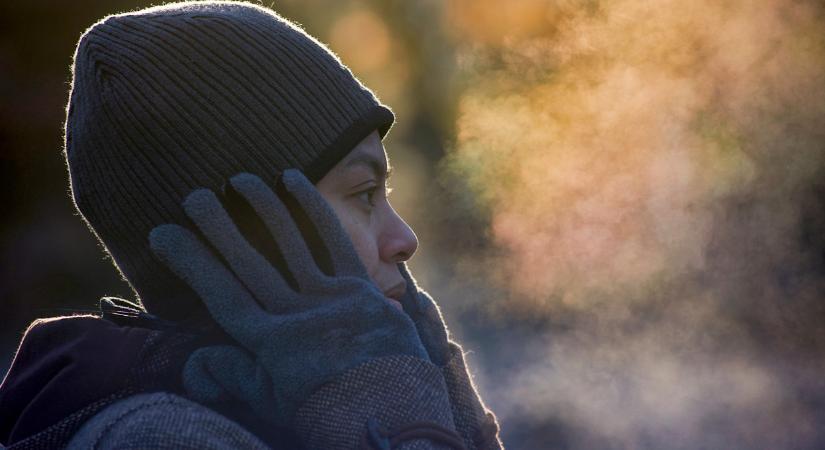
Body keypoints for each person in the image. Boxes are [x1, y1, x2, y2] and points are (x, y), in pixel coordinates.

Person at [0, 2, 502, 449]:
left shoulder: (290, 397)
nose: (405, 240)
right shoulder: (161, 435)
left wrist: (448, 409)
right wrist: (395, 418)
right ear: (246, 227)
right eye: (363, 194)